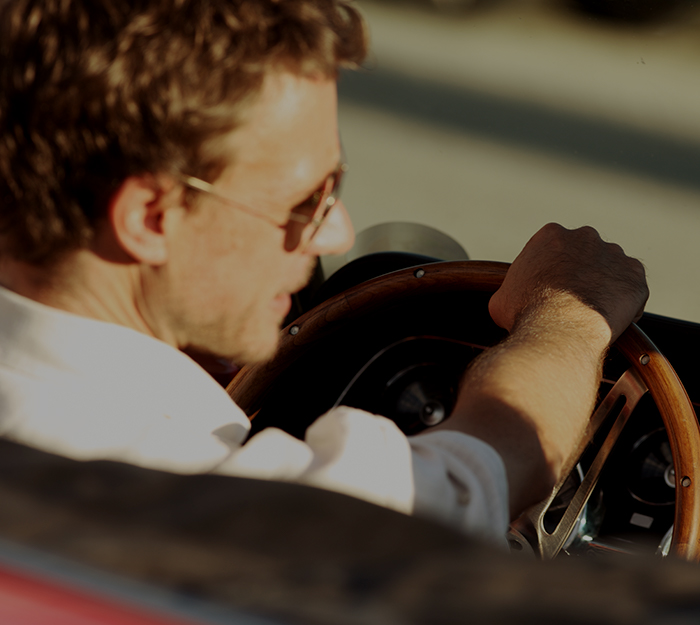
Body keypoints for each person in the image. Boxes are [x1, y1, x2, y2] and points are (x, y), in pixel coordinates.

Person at [0, 0, 647, 543]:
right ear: (150, 216)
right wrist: (568, 315)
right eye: (303, 202)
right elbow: (469, 480)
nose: (337, 231)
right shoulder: (166, 493)